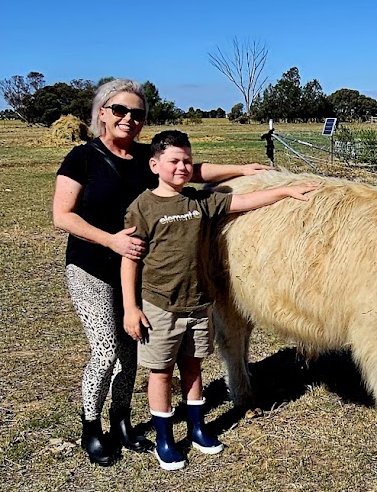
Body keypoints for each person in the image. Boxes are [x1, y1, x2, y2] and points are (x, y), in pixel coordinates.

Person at [52, 80, 269, 466]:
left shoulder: (143, 157)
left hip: (143, 272)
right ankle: (91, 427)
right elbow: (62, 216)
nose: (129, 119)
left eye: (138, 114)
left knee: (133, 352)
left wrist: (243, 168)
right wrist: (111, 241)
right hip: (93, 267)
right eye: (120, 110)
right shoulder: (81, 158)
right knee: (106, 352)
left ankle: (122, 422)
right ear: (102, 112)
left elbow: (192, 169)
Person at [121, 129, 319, 471]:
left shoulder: (199, 201)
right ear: (154, 165)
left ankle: (198, 428)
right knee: (161, 372)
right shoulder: (142, 208)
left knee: (194, 365)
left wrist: (284, 189)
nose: (182, 167)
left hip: (198, 300)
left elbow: (242, 201)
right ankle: (165, 438)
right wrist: (131, 306)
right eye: (173, 162)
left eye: (187, 161)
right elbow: (131, 258)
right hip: (160, 305)